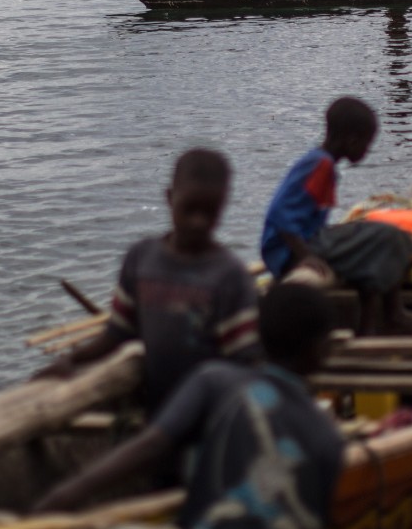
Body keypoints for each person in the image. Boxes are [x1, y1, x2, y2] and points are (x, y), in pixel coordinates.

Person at [33, 283, 347, 529]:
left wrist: (64, 495)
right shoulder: (327, 434)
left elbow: (150, 445)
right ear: (320, 352)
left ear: (256, 333)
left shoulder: (215, 382)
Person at [41, 148, 260, 414]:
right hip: (158, 407)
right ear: (169, 198)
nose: (199, 222)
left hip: (212, 416)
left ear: (223, 206)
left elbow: (245, 363)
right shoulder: (141, 259)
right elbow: (118, 334)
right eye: (189, 209)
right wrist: (72, 359)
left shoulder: (229, 277)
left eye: (210, 212)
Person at [261, 97, 412, 335]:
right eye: (366, 145)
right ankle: (394, 315)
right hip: (288, 252)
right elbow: (281, 215)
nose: (365, 152)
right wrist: (305, 256)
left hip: (301, 244)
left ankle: (367, 328)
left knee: (374, 243)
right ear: (352, 141)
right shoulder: (320, 166)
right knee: (391, 237)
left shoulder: (321, 162)